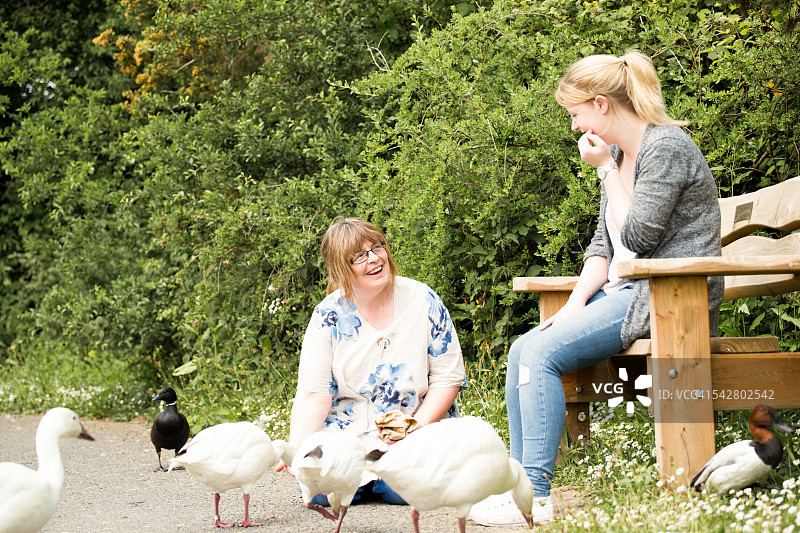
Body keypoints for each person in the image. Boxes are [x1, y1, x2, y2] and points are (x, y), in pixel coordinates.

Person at [468, 51, 723, 526]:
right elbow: (603, 245)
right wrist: (574, 303)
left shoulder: (664, 148)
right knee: (523, 349)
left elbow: (640, 239)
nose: (573, 126)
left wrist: (605, 170)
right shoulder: (621, 154)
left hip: (667, 298)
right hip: (626, 293)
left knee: (540, 355)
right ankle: (518, 489)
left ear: (602, 105)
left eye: (575, 113)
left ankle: (536, 498)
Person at [276, 217, 466, 505]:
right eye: (359, 256)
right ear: (341, 268)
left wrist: (414, 425)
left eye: (377, 247)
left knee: (402, 489)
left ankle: (382, 481)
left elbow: (447, 379)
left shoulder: (423, 300)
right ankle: (360, 480)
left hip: (414, 429)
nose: (375, 258)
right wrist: (297, 451)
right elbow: (314, 395)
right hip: (346, 437)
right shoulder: (327, 315)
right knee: (320, 493)